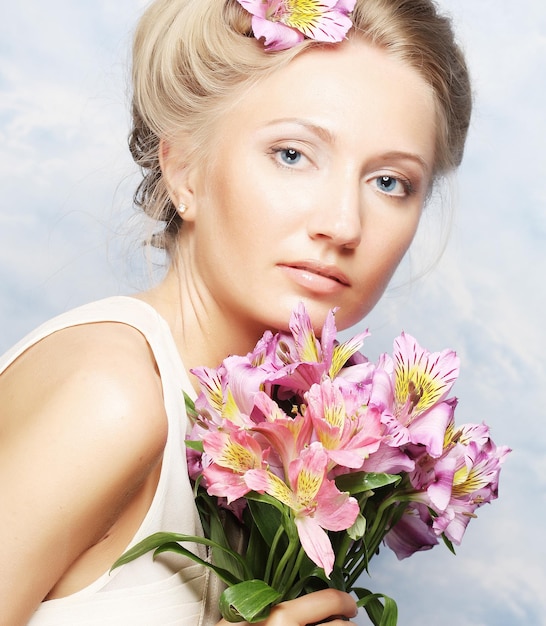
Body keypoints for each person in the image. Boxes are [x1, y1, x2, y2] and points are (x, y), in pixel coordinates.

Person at [0, 0, 472, 624]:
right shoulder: (113, 396)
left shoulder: (291, 442)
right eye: (292, 154)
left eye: (389, 182)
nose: (342, 225)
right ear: (184, 169)